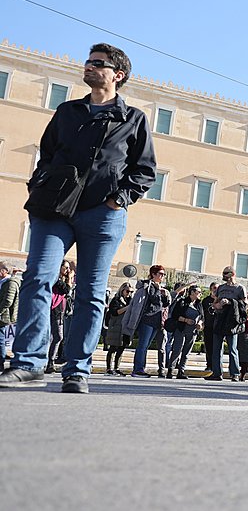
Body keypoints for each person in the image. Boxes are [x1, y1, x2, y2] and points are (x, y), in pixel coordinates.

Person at [0, 43, 156, 394]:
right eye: (87, 62)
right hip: (54, 210)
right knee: (37, 278)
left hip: (102, 214)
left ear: (118, 75)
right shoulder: (67, 111)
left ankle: (77, 370)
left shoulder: (133, 119)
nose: (88, 66)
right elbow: (47, 154)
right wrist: (38, 184)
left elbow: (145, 171)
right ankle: (28, 363)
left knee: (90, 292)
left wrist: (119, 199)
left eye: (97, 63)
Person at [127, 266, 173, 377]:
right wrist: (158, 291)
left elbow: (165, 304)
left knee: (146, 345)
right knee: (142, 345)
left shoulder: (160, 287)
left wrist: (165, 295)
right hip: (147, 319)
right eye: (160, 274)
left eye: (163, 274)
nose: (162, 276)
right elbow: (154, 299)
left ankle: (140, 368)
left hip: (156, 321)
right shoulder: (149, 286)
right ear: (153, 274)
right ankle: (138, 369)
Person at [211, 267, 247, 381]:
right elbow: (214, 303)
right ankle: (217, 372)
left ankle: (235, 373)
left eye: (226, 273)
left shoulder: (240, 288)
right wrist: (218, 305)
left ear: (232, 274)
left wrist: (231, 302)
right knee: (216, 348)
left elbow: (245, 304)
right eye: (223, 273)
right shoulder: (221, 288)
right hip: (220, 319)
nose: (223, 275)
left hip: (232, 321)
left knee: (232, 348)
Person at [165, 285, 203, 380]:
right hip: (181, 328)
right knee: (177, 349)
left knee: (186, 351)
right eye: (198, 292)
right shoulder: (182, 302)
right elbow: (175, 315)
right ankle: (171, 369)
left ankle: (181, 371)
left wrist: (200, 323)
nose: (200, 294)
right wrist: (186, 320)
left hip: (193, 331)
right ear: (192, 292)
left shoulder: (199, 304)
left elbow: (202, 316)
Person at [46, 261, 74, 374]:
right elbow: (67, 290)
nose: (67, 271)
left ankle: (50, 362)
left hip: (60, 311)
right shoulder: (55, 278)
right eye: (66, 268)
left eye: (68, 269)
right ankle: (49, 362)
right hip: (53, 310)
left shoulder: (61, 279)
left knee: (57, 337)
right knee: (56, 336)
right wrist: (70, 278)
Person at [101, 282, 132, 375]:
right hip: (116, 326)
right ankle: (108, 368)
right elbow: (115, 312)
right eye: (127, 291)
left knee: (122, 348)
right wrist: (127, 307)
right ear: (122, 290)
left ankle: (117, 367)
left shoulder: (130, 300)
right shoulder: (116, 300)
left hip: (125, 327)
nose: (129, 293)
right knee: (113, 347)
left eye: (131, 292)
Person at [0, 263, 21, 371]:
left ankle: (0, 364)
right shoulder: (5, 281)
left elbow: (8, 301)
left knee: (0, 340)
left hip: (3, 316)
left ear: (4, 271)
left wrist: (0, 312)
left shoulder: (10, 283)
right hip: (3, 314)